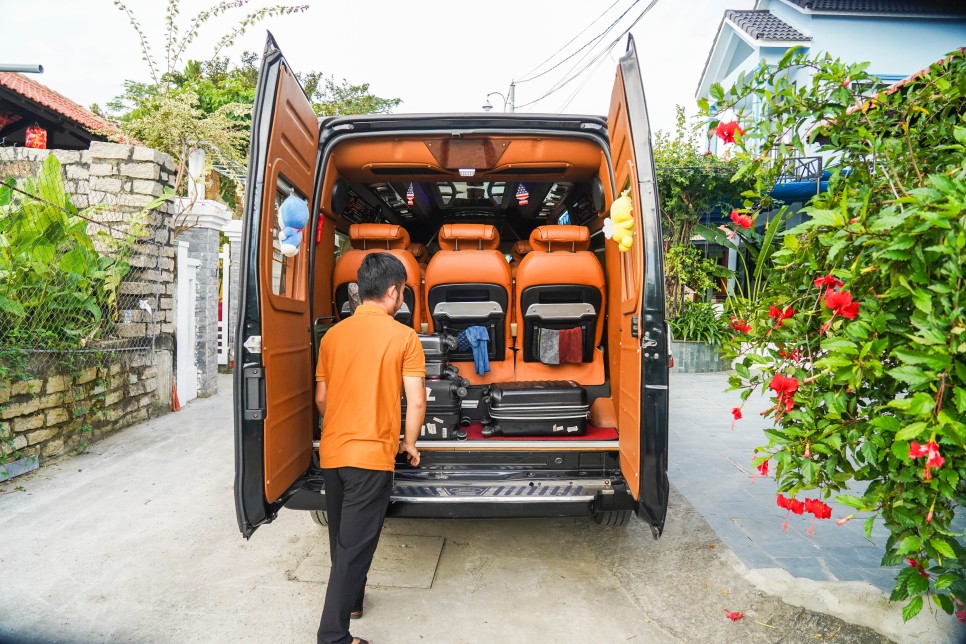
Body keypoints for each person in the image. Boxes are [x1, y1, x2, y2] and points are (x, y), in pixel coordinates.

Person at [314, 252, 426, 644]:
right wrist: (409, 442)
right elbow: (416, 401)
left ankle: (354, 603)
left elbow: (322, 398)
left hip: (333, 452)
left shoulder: (332, 335)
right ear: (394, 292)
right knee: (356, 547)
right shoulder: (404, 337)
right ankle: (333, 636)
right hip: (371, 457)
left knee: (342, 538)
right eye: (403, 293)